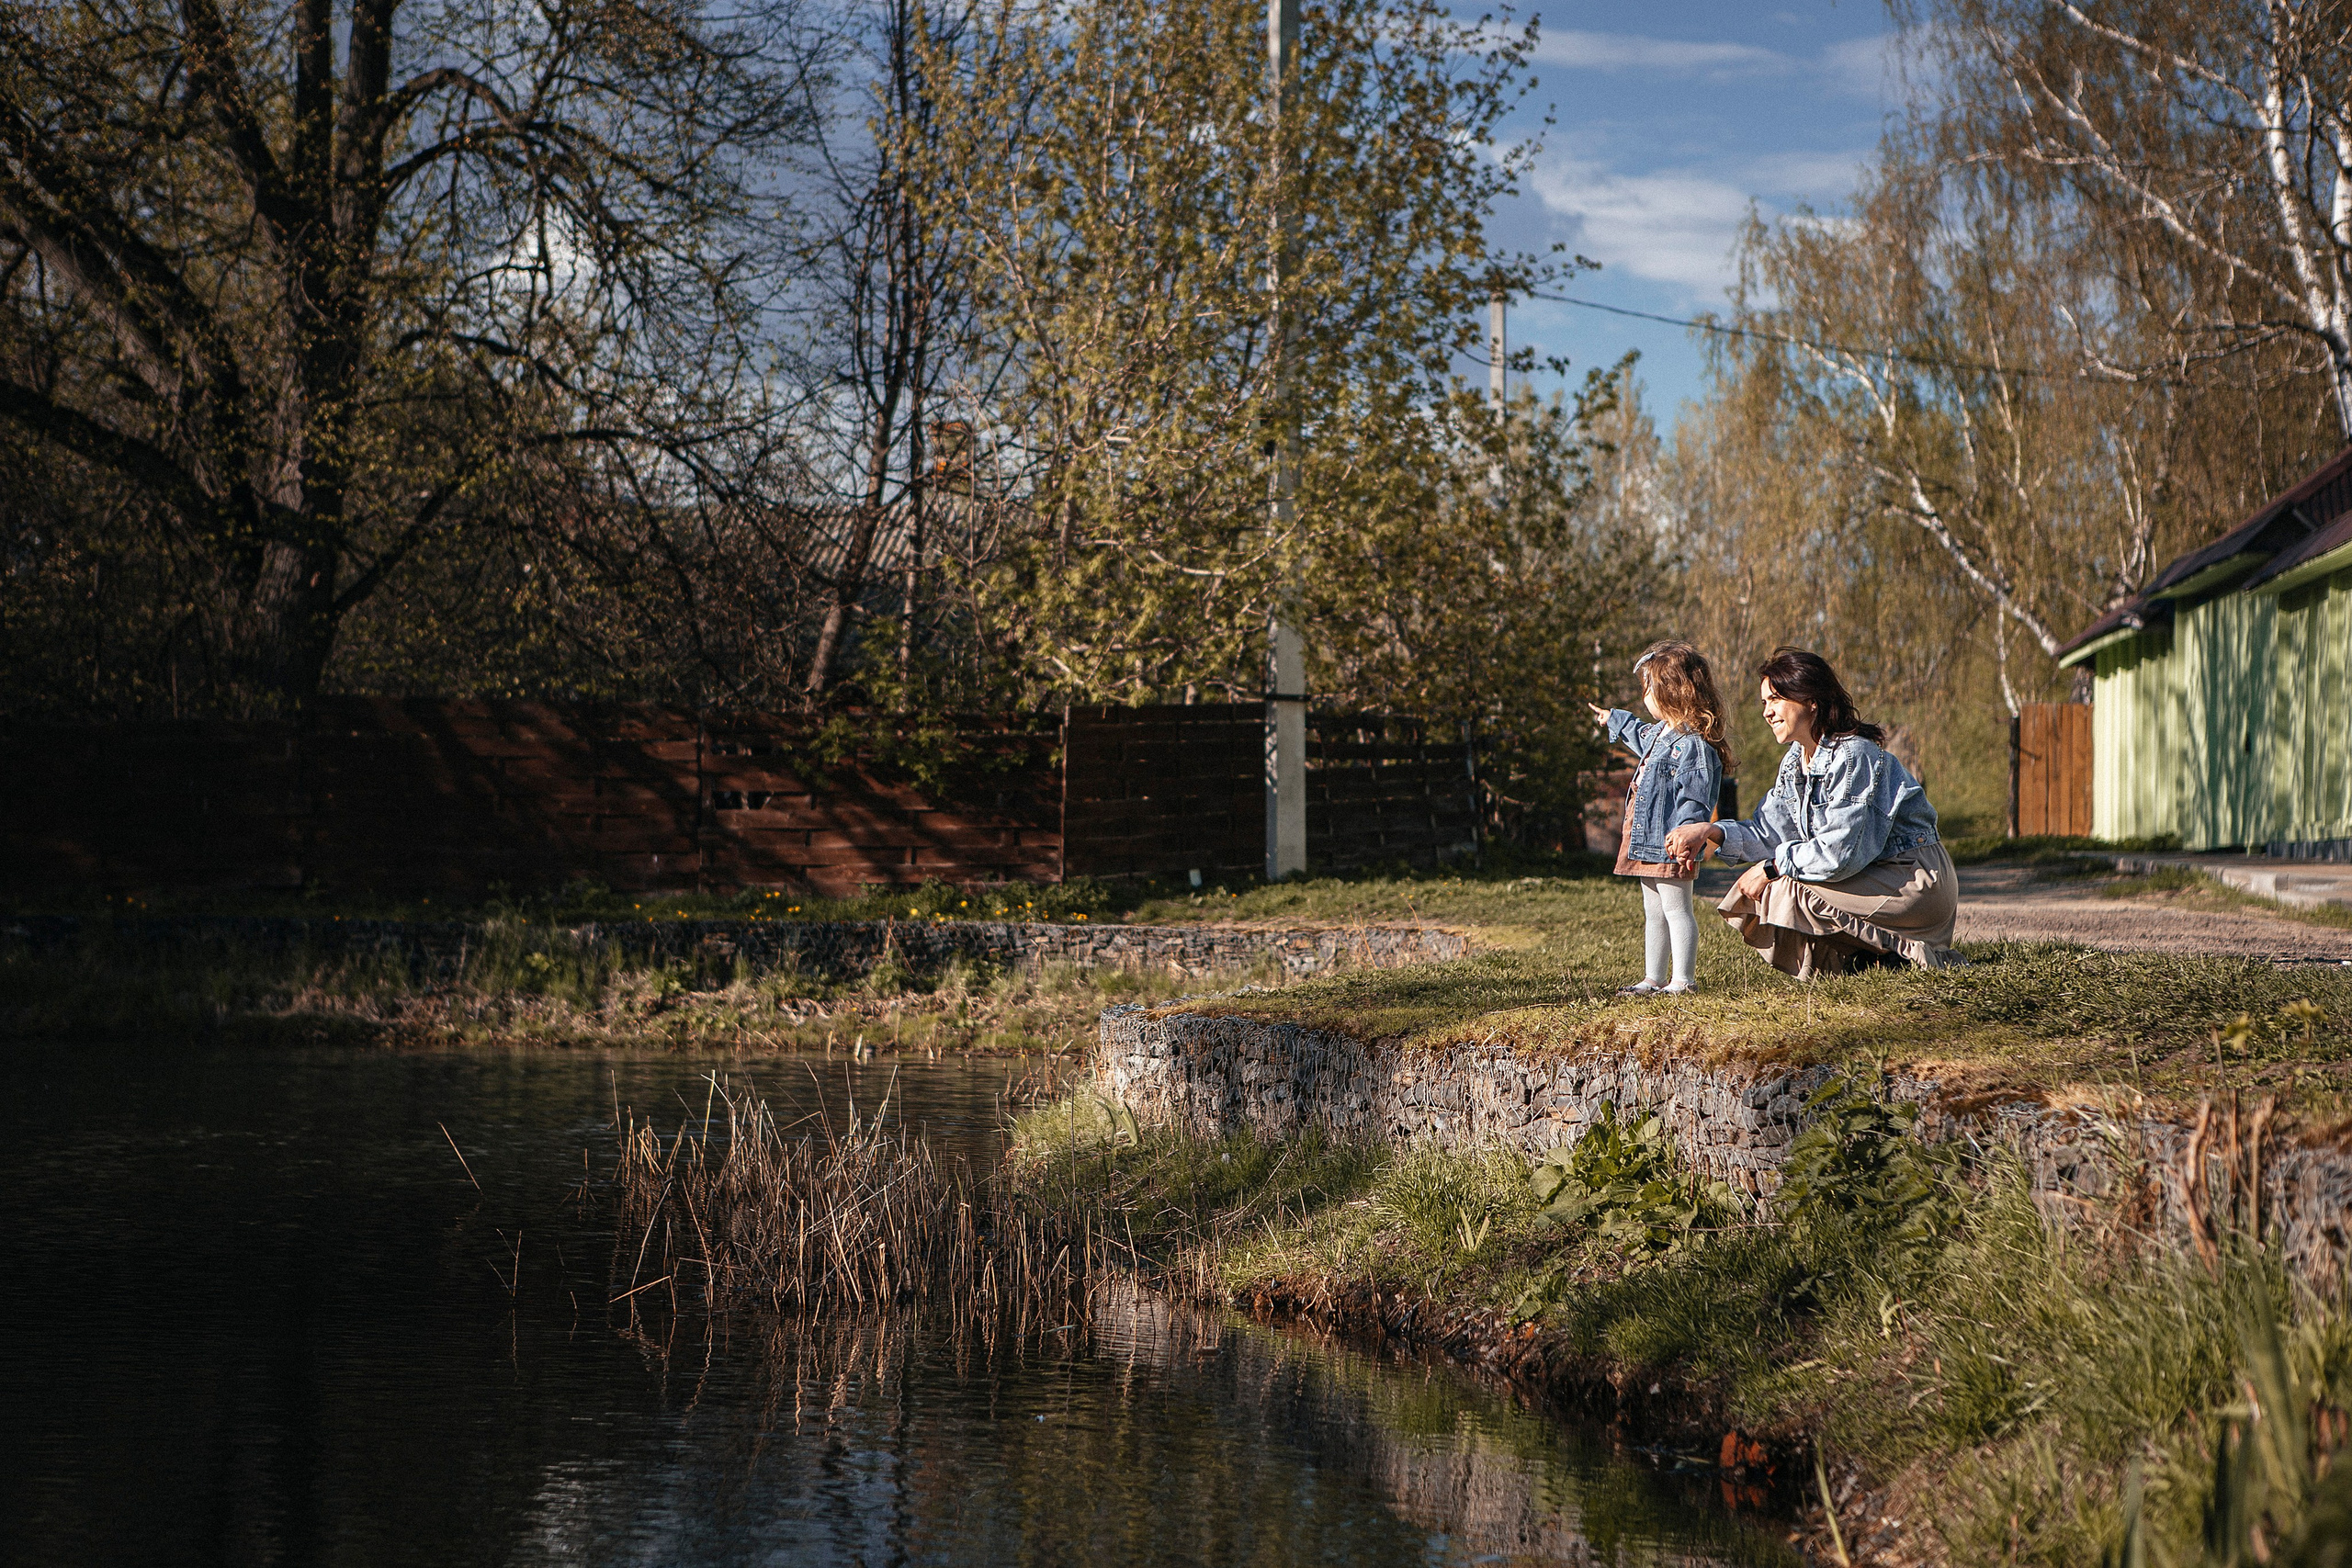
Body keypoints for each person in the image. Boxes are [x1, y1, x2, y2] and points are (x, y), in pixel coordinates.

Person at [1663, 647, 1960, 978]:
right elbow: (1770, 832)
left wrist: (1772, 867)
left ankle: (1895, 949)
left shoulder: (1853, 756)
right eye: (1764, 703)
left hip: (1914, 879)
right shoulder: (1795, 760)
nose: (1767, 712)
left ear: (1811, 699)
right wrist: (1711, 831)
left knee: (1784, 888)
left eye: (1776, 699)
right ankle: (1875, 957)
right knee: (1764, 889)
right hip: (1875, 876)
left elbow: (1839, 854)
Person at [1586, 640, 1733, 996]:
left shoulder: (1692, 744)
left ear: (1673, 691)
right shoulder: (1661, 734)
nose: (1645, 696)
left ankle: (1683, 980)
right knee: (1654, 910)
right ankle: (1653, 978)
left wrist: (1688, 836)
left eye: (1649, 688)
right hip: (1647, 839)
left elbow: (1694, 796)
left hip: (1671, 843)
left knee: (1677, 909)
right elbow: (1638, 734)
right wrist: (1613, 719)